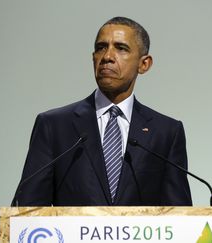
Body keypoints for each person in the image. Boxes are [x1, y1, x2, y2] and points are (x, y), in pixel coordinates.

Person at [12, 17, 192, 206]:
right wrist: (12, 233)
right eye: (101, 48)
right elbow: (29, 207)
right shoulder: (53, 126)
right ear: (93, 58)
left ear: (144, 64)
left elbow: (179, 215)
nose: (107, 56)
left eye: (121, 48)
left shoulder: (166, 133)